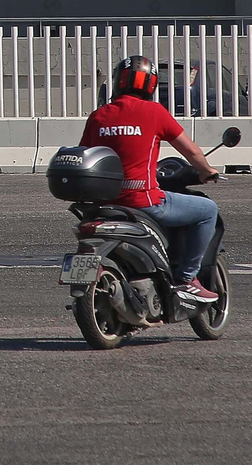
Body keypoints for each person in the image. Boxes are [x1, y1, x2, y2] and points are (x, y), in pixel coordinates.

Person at [80, 54, 221, 309]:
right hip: (143, 201)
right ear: (151, 85)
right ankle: (187, 278)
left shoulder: (99, 116)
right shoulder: (154, 112)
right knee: (208, 210)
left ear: (117, 81)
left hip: (106, 203)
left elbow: (85, 155)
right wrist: (206, 170)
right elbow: (191, 151)